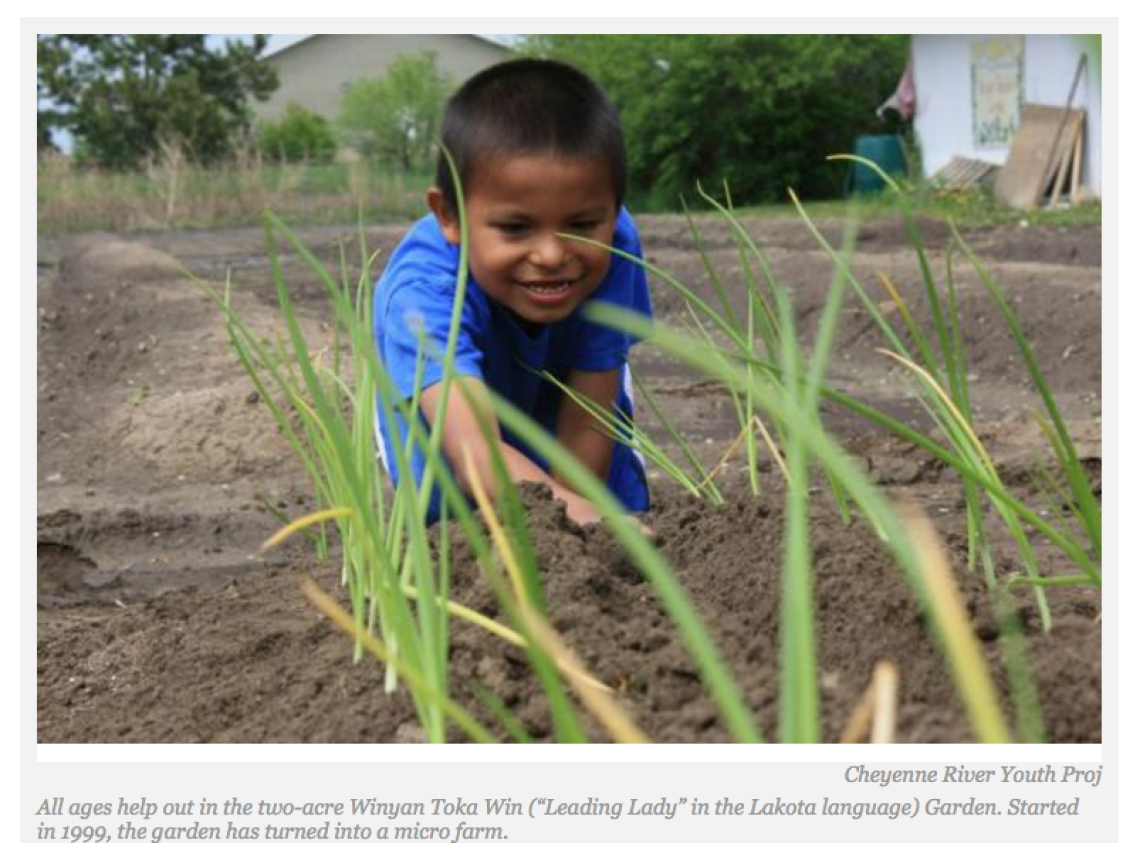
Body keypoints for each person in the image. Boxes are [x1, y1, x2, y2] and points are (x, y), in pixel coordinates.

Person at [373, 58, 652, 526]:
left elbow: (589, 415)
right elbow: (473, 448)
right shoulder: (423, 292)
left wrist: (587, 525)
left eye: (582, 224)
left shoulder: (616, 243)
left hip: (568, 432)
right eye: (516, 227)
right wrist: (577, 522)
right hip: (459, 458)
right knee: (470, 548)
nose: (550, 254)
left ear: (613, 208)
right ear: (450, 216)